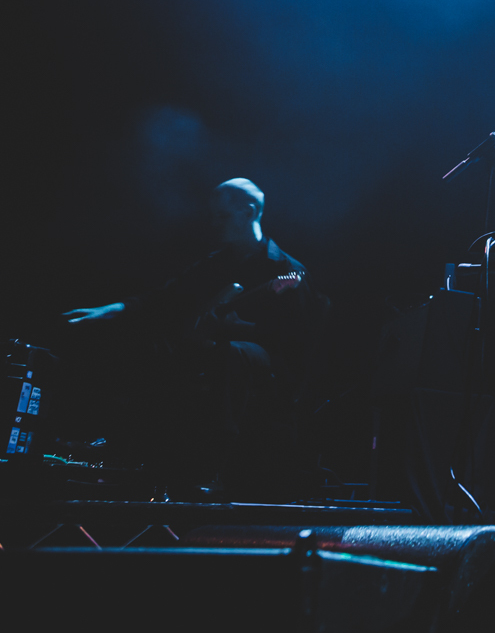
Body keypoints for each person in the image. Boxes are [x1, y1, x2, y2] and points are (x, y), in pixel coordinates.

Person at [61, 177, 319, 495]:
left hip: (268, 371)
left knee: (233, 352)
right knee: (158, 344)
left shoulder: (285, 270)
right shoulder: (217, 264)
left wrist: (241, 328)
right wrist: (111, 309)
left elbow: (295, 342)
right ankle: (119, 444)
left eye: (222, 216)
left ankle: (214, 470)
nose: (214, 223)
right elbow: (166, 298)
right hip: (219, 354)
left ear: (249, 212)